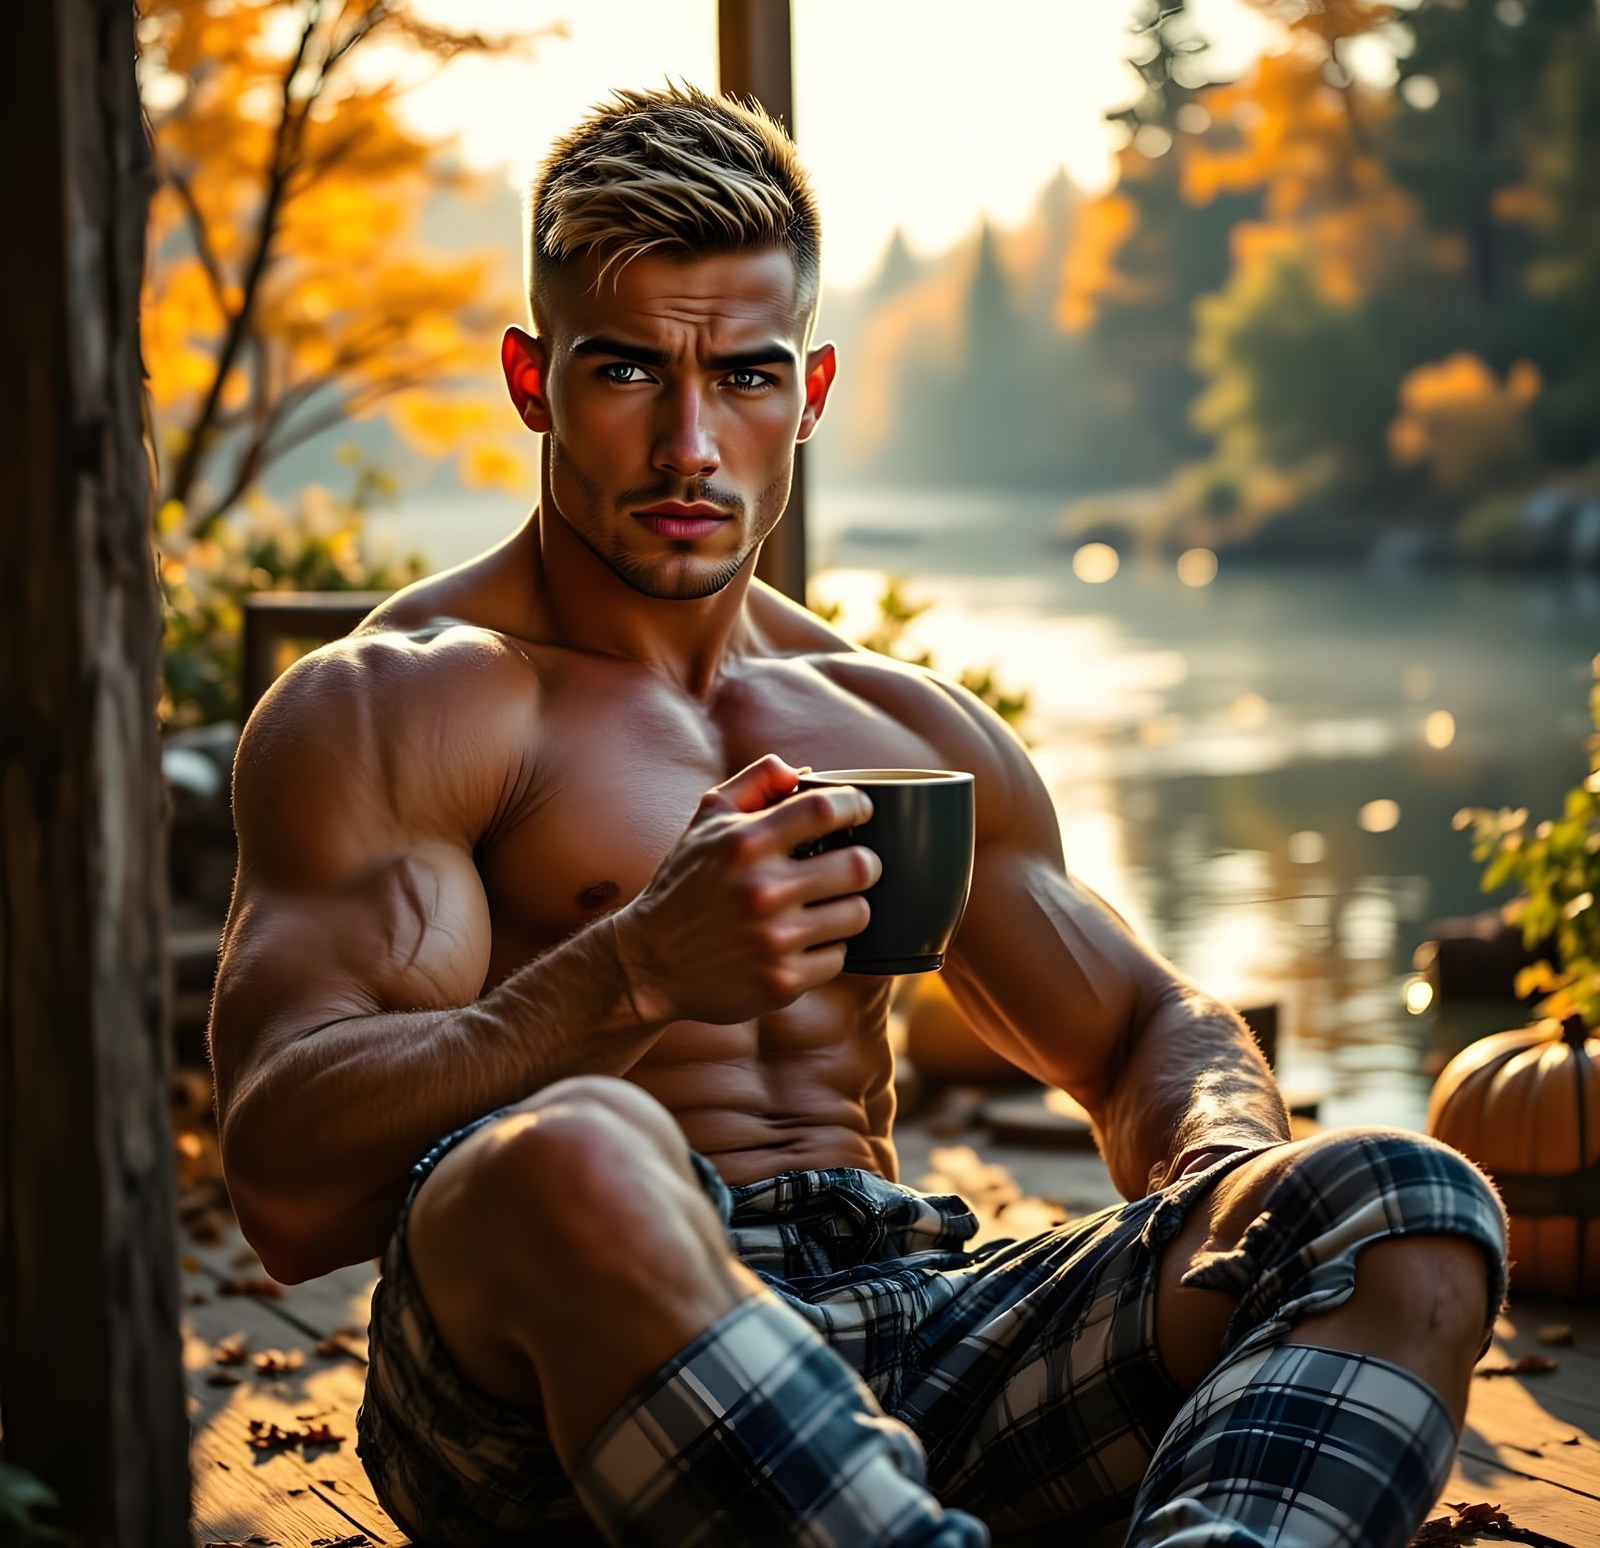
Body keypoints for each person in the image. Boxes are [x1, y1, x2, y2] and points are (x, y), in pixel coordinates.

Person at [209, 81, 1508, 1548]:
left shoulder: (898, 727)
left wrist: (1218, 1172)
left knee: (1400, 1209)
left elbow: (1155, 1028)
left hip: (905, 1334)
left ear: (811, 395)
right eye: (630, 372)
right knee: (571, 1152)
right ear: (533, 380)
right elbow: (284, 1181)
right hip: (538, 1397)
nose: (690, 445)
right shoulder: (399, 706)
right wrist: (631, 971)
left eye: (748, 379)